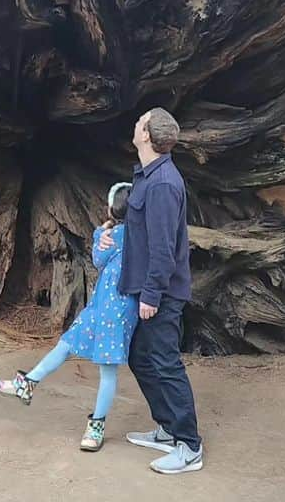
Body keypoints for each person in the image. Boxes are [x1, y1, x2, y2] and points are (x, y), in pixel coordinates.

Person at [0, 182, 138, 452]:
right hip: (106, 307)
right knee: (69, 345)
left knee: (100, 367)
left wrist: (99, 233)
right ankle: (27, 383)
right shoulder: (139, 234)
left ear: (110, 209)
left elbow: (98, 259)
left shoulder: (114, 236)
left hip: (111, 308)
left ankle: (96, 427)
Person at [109, 107, 204, 474]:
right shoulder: (150, 176)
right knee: (140, 356)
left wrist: (151, 295)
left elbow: (164, 250)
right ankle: (167, 428)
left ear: (147, 134)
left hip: (161, 293)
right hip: (147, 288)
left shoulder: (163, 183)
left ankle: (190, 446)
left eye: (140, 122)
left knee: (165, 363)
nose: (134, 124)